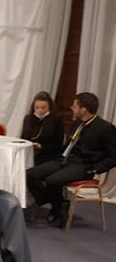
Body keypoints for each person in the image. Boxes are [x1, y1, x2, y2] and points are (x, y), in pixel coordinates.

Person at [27, 92, 116, 224]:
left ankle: (56, 208)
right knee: (30, 175)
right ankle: (59, 204)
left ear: (83, 109)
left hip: (83, 165)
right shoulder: (77, 123)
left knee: (52, 181)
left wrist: (95, 169)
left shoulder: (104, 128)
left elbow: (114, 156)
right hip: (64, 160)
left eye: (74, 106)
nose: (71, 108)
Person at [20, 91, 64, 165]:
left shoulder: (56, 120)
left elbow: (58, 145)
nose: (39, 110)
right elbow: (23, 138)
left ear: (49, 107)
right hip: (29, 152)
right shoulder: (28, 118)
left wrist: (42, 147)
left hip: (47, 154)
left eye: (43, 108)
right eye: (36, 107)